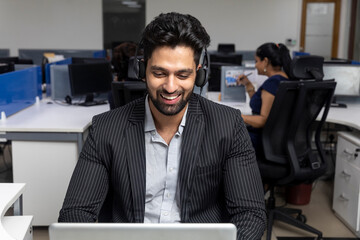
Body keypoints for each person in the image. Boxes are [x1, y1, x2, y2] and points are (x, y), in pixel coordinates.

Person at [58, 12, 266, 240]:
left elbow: (250, 214)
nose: (170, 86)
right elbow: (76, 213)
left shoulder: (227, 125)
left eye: (183, 75)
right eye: (159, 73)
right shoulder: (106, 129)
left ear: (199, 74)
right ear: (142, 70)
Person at [236, 43, 292, 151]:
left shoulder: (273, 83)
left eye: (257, 61)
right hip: (277, 140)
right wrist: (248, 84)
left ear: (265, 61)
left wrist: (237, 117)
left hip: (262, 140)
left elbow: (263, 120)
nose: (255, 65)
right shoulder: (284, 79)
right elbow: (262, 106)